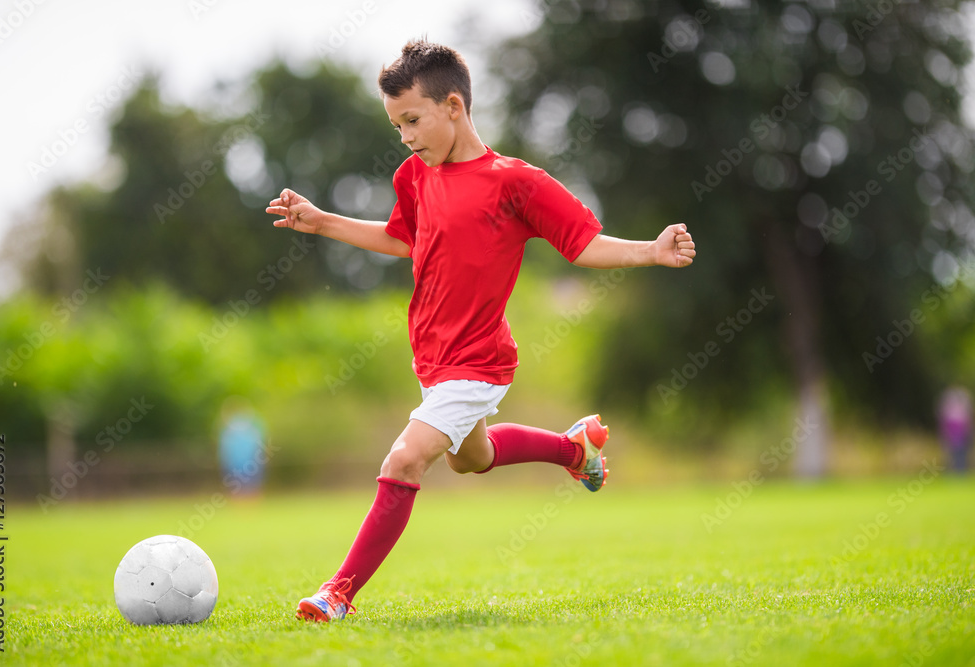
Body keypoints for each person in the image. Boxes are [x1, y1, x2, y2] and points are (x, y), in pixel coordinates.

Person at [265, 39, 696, 622]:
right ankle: (575, 449)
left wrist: (651, 250)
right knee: (473, 458)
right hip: (433, 361)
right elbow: (402, 240)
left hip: (478, 362)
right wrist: (322, 222)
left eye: (412, 120)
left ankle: (337, 592)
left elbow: (584, 244)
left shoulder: (514, 182)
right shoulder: (413, 176)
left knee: (404, 461)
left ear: (454, 107)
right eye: (396, 126)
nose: (406, 136)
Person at [939, 386, 973, 473]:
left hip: (961, 434)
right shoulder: (951, 413)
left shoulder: (961, 411)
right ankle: (954, 471)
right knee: (952, 454)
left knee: (961, 453)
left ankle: (960, 471)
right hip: (953, 434)